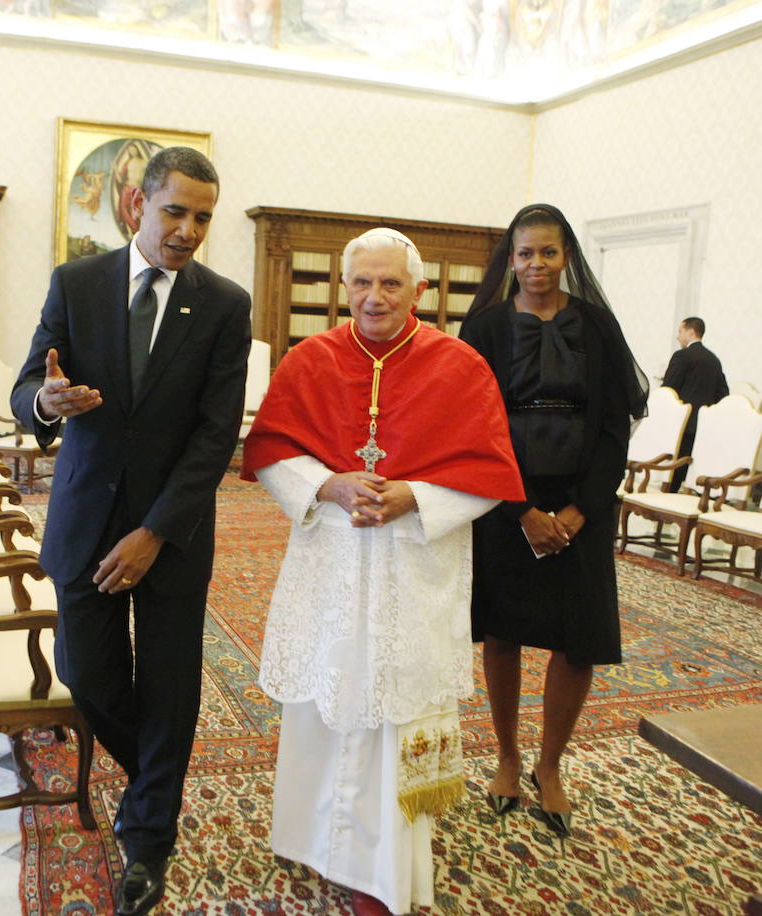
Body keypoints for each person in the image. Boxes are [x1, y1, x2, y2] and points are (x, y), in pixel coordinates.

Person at [242, 229, 524, 916]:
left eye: (390, 284)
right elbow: (272, 450)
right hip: (332, 559)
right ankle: (314, 836)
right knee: (327, 690)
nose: (374, 297)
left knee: (397, 700)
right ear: (344, 287)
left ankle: (384, 863)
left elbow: (490, 473)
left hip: (412, 562)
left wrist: (415, 496)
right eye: (362, 283)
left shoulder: (459, 365)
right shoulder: (310, 359)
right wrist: (328, 485)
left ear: (419, 291)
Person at [10, 147, 252, 916]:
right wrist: (46, 404)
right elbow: (25, 388)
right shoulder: (76, 284)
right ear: (138, 205)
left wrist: (154, 531)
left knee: (172, 686)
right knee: (88, 672)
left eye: (203, 217)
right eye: (175, 210)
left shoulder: (224, 304)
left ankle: (149, 836)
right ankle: (157, 778)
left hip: (171, 531)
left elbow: (217, 435)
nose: (188, 230)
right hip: (84, 518)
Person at [459, 204, 647, 838]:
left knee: (577, 639)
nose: (535, 265)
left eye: (547, 252)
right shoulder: (483, 327)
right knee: (504, 634)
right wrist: (521, 511)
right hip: (506, 503)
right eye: (524, 254)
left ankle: (550, 765)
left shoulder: (597, 325)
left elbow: (614, 427)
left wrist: (579, 509)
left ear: (566, 255)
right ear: (508, 260)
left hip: (581, 507)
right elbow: (470, 427)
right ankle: (508, 760)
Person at [662, 316, 728, 489]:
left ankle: (668, 498)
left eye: (680, 331)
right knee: (692, 467)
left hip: (682, 422)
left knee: (674, 468)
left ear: (691, 332)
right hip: (704, 425)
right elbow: (723, 394)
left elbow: (668, 390)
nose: (678, 336)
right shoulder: (714, 360)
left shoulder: (682, 356)